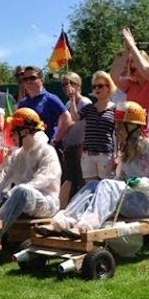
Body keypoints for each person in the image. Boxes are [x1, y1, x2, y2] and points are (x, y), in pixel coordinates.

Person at [41, 102, 149, 238]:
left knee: (106, 184)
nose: (117, 129)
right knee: (93, 185)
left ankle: (85, 227)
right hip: (135, 196)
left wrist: (140, 183)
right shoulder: (125, 148)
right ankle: (62, 222)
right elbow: (120, 180)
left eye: (121, 125)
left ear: (132, 126)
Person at [0, 108, 62, 247]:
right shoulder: (18, 154)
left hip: (45, 203)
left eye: (13, 132)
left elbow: (44, 178)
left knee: (22, 190)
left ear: (25, 132)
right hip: (18, 199)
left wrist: (10, 195)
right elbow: (2, 177)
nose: (10, 135)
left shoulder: (47, 151)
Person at [111, 28, 149, 138]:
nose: (136, 73)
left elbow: (145, 70)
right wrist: (127, 52)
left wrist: (132, 47)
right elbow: (114, 76)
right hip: (134, 133)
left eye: (137, 69)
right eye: (131, 70)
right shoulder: (130, 84)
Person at [78, 72, 119, 207]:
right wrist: (73, 99)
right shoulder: (89, 108)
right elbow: (73, 118)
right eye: (95, 86)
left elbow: (119, 133)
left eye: (100, 86)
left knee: (105, 189)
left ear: (109, 87)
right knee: (89, 191)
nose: (97, 89)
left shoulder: (115, 109)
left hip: (106, 154)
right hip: (88, 153)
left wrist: (117, 155)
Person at [56, 72, 91, 207]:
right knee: (69, 182)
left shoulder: (85, 102)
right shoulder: (66, 104)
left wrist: (72, 100)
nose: (67, 87)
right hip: (69, 147)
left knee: (81, 180)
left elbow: (75, 119)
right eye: (64, 84)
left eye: (71, 83)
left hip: (81, 147)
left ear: (78, 85)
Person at [16, 66, 68, 142]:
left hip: (48, 147)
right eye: (25, 79)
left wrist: (56, 140)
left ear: (42, 80)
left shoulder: (50, 98)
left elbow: (67, 119)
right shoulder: (23, 103)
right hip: (29, 147)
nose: (28, 81)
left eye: (32, 78)